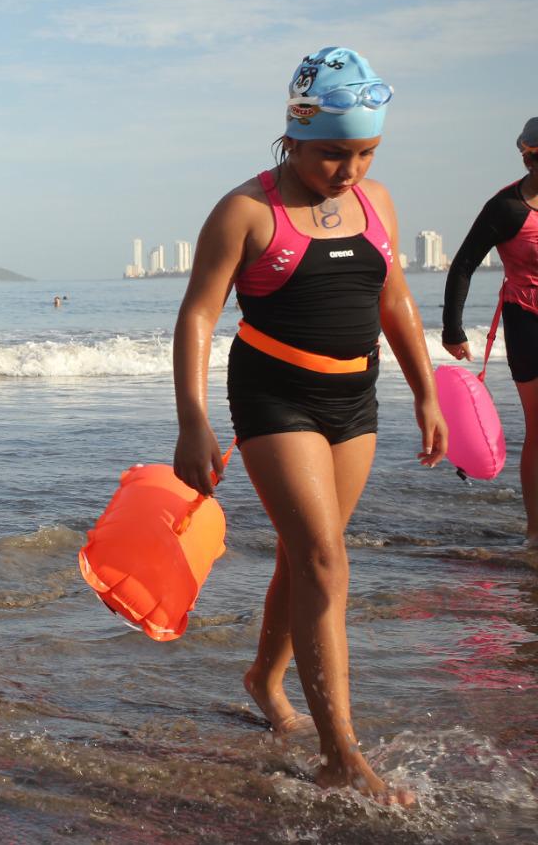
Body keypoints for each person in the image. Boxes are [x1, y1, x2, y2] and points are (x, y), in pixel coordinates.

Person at [173, 47, 446, 805]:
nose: (349, 169)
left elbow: (394, 301)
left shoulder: (378, 203)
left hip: (355, 400)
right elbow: (198, 315)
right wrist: (192, 422)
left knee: (307, 558)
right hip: (273, 394)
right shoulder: (247, 212)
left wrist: (427, 391)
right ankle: (340, 753)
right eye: (333, 153)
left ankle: (264, 677)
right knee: (325, 560)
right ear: (292, 134)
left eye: (364, 152)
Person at [441, 117, 538, 546]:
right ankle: (536, 532)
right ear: (526, 153)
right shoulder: (506, 208)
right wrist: (453, 329)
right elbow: (463, 263)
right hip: (527, 321)